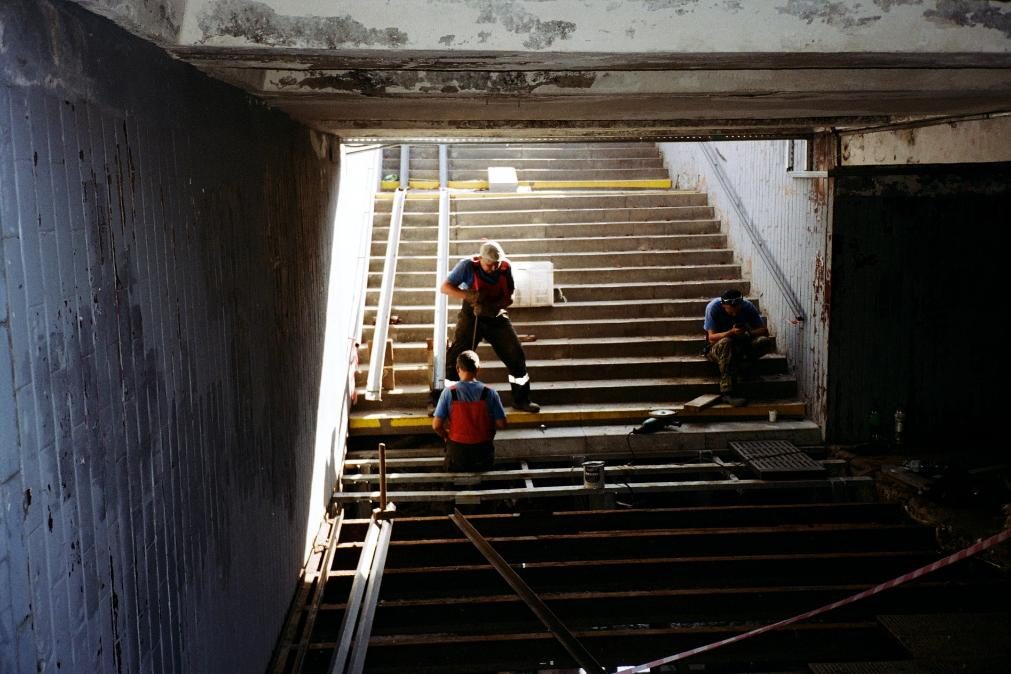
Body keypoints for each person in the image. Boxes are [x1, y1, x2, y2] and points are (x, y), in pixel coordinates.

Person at [439, 240, 540, 412]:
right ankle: (447, 402)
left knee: (515, 355)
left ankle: (521, 399)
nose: (493, 268)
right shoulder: (467, 266)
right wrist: (469, 296)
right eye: (489, 265)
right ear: (480, 259)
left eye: (496, 264)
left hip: (495, 315)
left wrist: (493, 306)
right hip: (472, 315)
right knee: (457, 356)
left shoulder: (505, 269)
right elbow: (445, 287)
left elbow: (509, 298)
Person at [432, 350, 508, 471]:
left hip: (457, 454)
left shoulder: (449, 392)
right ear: (478, 368)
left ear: (458, 369)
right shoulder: (490, 393)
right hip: (482, 454)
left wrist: (446, 436)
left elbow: (436, 426)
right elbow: (502, 424)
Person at [703, 288, 775, 407]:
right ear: (723, 305)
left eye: (737, 311)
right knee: (726, 342)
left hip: (741, 345)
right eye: (730, 312)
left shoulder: (747, 306)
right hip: (717, 348)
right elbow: (711, 337)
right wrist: (730, 332)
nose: (735, 314)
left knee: (764, 341)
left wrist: (748, 333)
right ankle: (727, 392)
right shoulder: (713, 308)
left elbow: (764, 331)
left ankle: (744, 367)